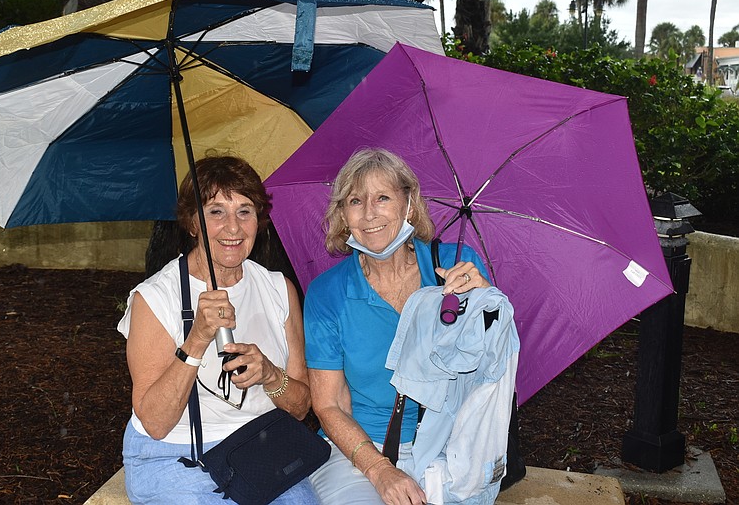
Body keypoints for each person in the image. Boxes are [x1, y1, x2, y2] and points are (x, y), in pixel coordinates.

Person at [117, 155, 318, 505]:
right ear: (192, 222)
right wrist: (196, 339)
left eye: (244, 210)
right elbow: (156, 423)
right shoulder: (155, 298)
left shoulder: (278, 289)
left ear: (259, 219)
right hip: (176, 454)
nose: (233, 227)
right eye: (216, 211)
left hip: (260, 446)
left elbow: (300, 408)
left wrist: (270, 375)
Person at [305, 148, 494, 505]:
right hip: (359, 451)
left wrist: (485, 303)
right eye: (355, 201)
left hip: (449, 445)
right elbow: (329, 404)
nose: (370, 213)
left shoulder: (457, 267)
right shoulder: (328, 293)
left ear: (408, 204)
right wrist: (379, 470)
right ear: (343, 215)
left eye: (383, 198)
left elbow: (491, 369)